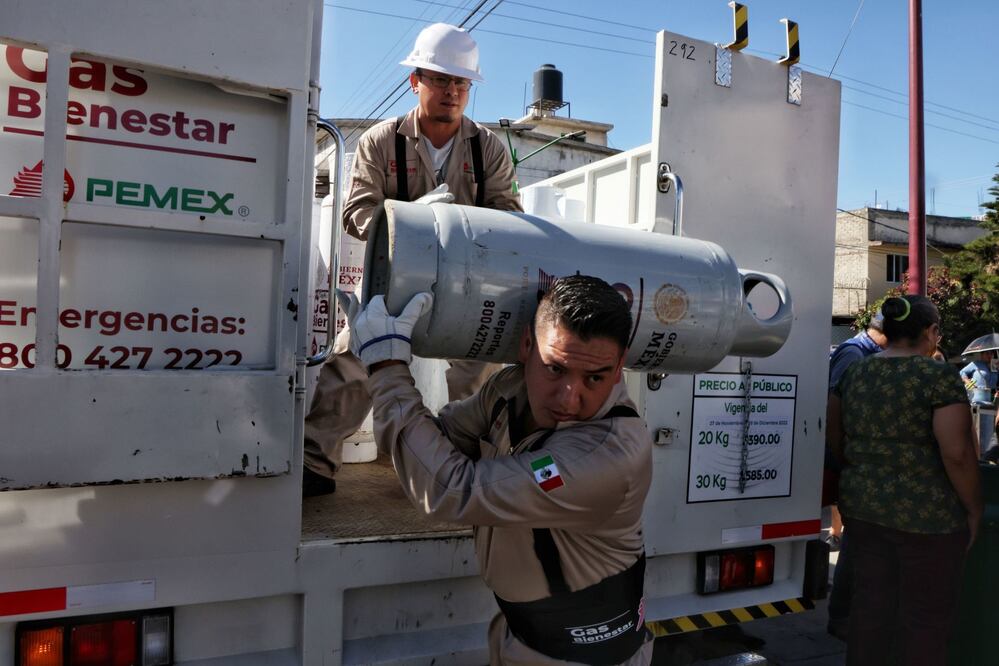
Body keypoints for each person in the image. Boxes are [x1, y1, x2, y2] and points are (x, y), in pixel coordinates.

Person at [338, 275, 654, 665]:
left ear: (620, 366)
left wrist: (386, 366)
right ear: (526, 347)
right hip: (521, 638)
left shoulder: (608, 456)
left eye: (595, 377)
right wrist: (374, 358)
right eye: (555, 369)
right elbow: (433, 444)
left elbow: (451, 490)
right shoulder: (510, 389)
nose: (570, 399)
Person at [303, 22, 522, 496]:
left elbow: (510, 219)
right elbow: (356, 210)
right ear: (416, 82)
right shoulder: (381, 142)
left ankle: (472, 470)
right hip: (395, 281)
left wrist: (464, 231)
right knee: (353, 355)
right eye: (441, 80)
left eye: (461, 83)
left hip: (467, 289)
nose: (452, 92)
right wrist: (407, 224)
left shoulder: (489, 150)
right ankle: (313, 461)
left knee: (476, 374)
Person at [827, 295, 983, 666]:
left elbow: (833, 430)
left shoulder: (855, 372)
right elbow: (958, 454)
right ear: (931, 332)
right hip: (927, 521)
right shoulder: (938, 376)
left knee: (870, 611)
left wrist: (859, 468)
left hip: (864, 511)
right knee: (924, 619)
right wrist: (974, 508)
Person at [823, 315, 887, 639]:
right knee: (854, 540)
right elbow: (834, 409)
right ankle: (842, 616)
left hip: (855, 461)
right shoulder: (854, 353)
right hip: (847, 461)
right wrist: (843, 455)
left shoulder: (869, 355)